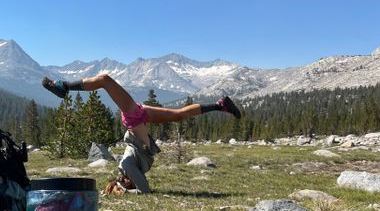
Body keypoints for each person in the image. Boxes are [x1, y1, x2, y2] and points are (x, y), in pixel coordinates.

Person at [43, 74, 241, 193]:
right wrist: (128, 188)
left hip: (136, 116)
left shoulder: (129, 165)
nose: (125, 179)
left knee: (178, 115)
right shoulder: (130, 165)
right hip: (133, 116)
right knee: (104, 80)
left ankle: (220, 105)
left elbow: (138, 182)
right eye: (126, 181)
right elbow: (144, 189)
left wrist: (119, 186)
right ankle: (65, 86)